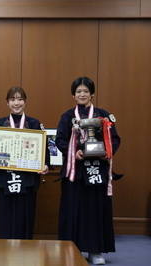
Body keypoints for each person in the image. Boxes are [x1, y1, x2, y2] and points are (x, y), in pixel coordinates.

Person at [56, 77, 121, 265]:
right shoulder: (67, 117)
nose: (82, 94)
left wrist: (105, 153)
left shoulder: (103, 116)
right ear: (73, 95)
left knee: (94, 210)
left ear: (92, 93)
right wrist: (73, 151)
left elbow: (114, 139)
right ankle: (70, 249)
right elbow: (60, 140)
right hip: (74, 172)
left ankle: (95, 251)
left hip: (96, 172)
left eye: (85, 91)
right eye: (78, 92)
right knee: (72, 210)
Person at [0, 86, 49, 239]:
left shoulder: (34, 123)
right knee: (6, 216)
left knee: (25, 215)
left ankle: (26, 252)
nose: (16, 103)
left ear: (25, 102)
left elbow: (43, 149)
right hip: (5, 178)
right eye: (12, 99)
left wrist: (45, 164)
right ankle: (5, 253)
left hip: (27, 179)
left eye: (20, 99)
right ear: (7, 103)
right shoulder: (0, 123)